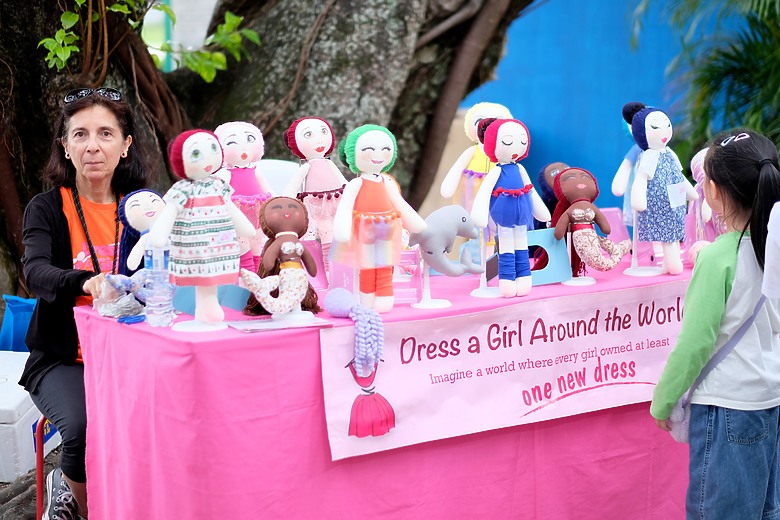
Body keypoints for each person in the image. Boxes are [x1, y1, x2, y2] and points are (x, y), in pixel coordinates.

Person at [18, 87, 149, 519]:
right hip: (63, 358)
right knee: (82, 426)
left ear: (125, 145)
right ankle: (77, 498)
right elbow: (35, 271)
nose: (93, 145)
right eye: (80, 134)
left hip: (134, 353)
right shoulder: (46, 207)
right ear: (65, 145)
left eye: (105, 133)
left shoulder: (143, 207)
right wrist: (85, 282)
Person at [650, 130, 780, 519]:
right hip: (771, 396)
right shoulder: (773, 245)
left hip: (728, 407)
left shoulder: (718, 257)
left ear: (715, 191)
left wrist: (664, 400)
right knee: (767, 509)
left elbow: (695, 342)